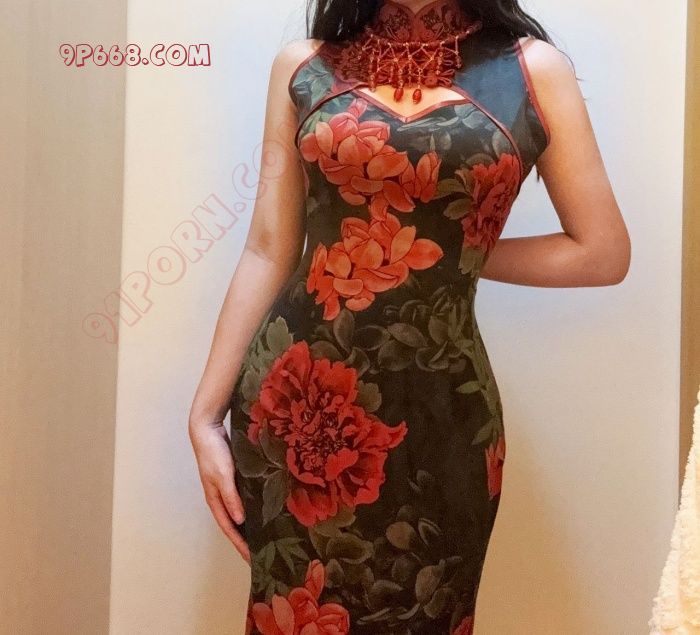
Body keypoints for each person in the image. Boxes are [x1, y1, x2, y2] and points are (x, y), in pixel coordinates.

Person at [189, 0, 631, 632]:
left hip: (443, 418)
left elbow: (601, 252)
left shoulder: (532, 72)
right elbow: (268, 247)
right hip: (292, 412)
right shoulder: (304, 68)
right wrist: (204, 416)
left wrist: (445, 253)